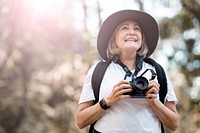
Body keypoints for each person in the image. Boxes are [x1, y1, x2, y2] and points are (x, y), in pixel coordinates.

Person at [75, 10, 179, 133]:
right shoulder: (98, 71)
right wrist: (108, 101)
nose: (132, 32)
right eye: (125, 28)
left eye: (137, 29)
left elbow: (174, 124)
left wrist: (155, 102)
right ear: (114, 39)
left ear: (142, 39)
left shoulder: (157, 71)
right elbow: (80, 121)